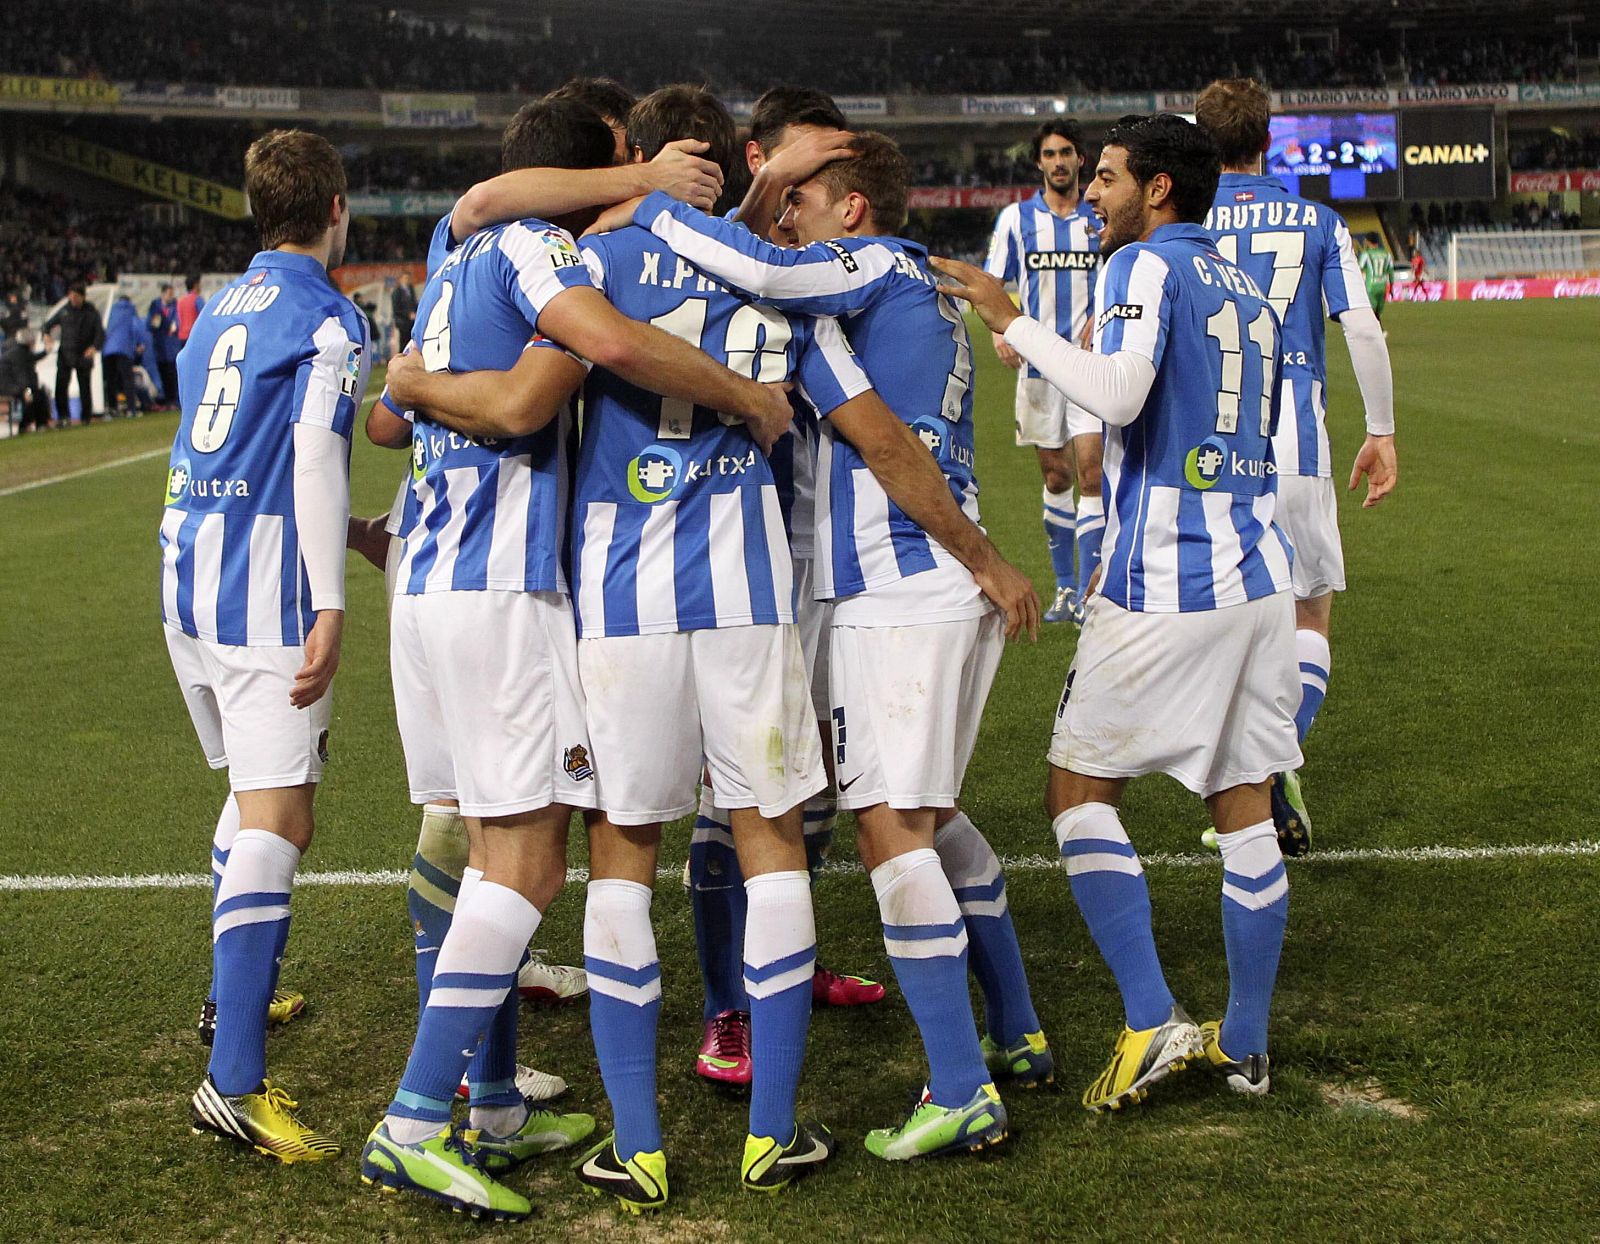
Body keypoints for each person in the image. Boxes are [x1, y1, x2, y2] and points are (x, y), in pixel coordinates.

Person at [362, 96, 795, 1222]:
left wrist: (407, 388)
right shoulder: (545, 246)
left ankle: (496, 1104)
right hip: (501, 593)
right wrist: (746, 392)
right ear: (600, 166)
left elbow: (389, 421)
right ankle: (413, 1121)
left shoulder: (453, 251)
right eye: (625, 156)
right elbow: (560, 373)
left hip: (428, 584)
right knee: (529, 870)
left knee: (491, 845)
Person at [625, 131, 1051, 1161]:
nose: (789, 221)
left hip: (901, 585)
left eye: (804, 200)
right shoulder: (903, 295)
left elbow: (883, 435)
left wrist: (647, 203)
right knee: (928, 817)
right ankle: (1018, 1028)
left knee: (890, 831)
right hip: (912, 586)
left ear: (851, 208)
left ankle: (960, 1087)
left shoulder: (870, 265)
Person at [934, 112, 1299, 1112]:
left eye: (1105, 177)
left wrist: (1015, 321)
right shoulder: (1246, 291)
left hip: (1168, 585)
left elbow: (1125, 397)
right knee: (1244, 799)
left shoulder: (1141, 267)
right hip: (1259, 577)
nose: (1091, 193)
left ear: (1158, 190)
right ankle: (1249, 1045)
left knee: (1077, 789)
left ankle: (1151, 1016)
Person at [167, 129, 370, 1162]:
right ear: (336, 206)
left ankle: (227, 1001)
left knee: (249, 797)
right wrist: (329, 601)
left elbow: (237, 443)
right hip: (262, 595)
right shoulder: (328, 315)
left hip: (187, 574)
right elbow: (311, 454)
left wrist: (351, 536)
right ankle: (233, 1083)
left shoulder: (220, 304)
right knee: (282, 816)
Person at [686, 85, 884, 1100]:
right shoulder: (714, 256)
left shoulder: (794, 264)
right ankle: (727, 1004)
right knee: (737, 797)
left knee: (797, 792)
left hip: (815, 555)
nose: (816, 187)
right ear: (764, 158)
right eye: (809, 164)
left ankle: (784, 967)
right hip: (732, 561)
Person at [1195, 78, 1397, 851]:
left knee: (1231, 620)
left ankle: (1252, 773)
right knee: (1310, 612)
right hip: (1296, 441)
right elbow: (1365, 331)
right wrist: (1380, 431)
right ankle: (1277, 761)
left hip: (1209, 446)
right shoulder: (1318, 221)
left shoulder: (1187, 218)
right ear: (1268, 140)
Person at [984, 120, 1103, 623]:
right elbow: (993, 281)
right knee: (1056, 476)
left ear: (1081, 160)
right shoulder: (1016, 219)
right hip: (1037, 368)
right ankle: (1067, 590)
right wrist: (996, 330)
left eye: (1067, 153)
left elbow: (1120, 270)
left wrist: (1102, 314)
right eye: (1050, 154)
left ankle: (1096, 594)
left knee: (1092, 474)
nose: (1059, 162)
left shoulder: (1098, 219)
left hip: (1091, 366)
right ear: (1039, 162)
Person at [42, 282, 102, 425]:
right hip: (65, 354)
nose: (72, 299)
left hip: (83, 354)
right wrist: (46, 335)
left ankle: (86, 417)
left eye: (75, 296)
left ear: (82, 296)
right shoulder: (64, 310)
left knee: (85, 387)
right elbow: (47, 325)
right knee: (61, 387)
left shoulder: (91, 311)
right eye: (70, 296)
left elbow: (100, 332)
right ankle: (63, 417)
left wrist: (94, 347)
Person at [101, 293, 152, 415]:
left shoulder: (112, 310)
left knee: (111, 380)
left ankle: (112, 408)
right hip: (123, 349)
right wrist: (139, 343)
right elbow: (136, 326)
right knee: (127, 379)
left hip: (107, 350)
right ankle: (131, 409)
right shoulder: (130, 309)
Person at [0, 328, 51, 433]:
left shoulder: (20, 352)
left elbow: (33, 357)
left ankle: (36, 424)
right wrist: (26, 390)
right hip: (9, 387)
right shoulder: (19, 354)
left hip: (11, 386)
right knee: (35, 396)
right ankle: (30, 425)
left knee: (38, 394)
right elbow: (20, 375)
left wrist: (46, 351)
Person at [147, 283, 180, 407]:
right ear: (163, 294)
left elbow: (178, 321)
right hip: (160, 346)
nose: (171, 296)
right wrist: (155, 322)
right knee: (163, 373)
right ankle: (167, 400)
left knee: (173, 373)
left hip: (172, 346)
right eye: (169, 293)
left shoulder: (175, 306)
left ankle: (174, 400)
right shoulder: (155, 307)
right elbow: (150, 325)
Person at [1359, 232, 1394, 328]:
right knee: (1377, 313)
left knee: (1371, 313)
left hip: (1371, 286)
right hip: (1382, 287)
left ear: (1367, 241)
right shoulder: (1387, 254)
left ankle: (1376, 334)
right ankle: (1379, 332)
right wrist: (1391, 287)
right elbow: (1391, 272)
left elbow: (1359, 269)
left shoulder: (1366, 254)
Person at [176, 273, 206, 350]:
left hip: (182, 337)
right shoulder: (198, 300)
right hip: (194, 337)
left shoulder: (181, 301)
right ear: (196, 285)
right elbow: (204, 319)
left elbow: (178, 321)